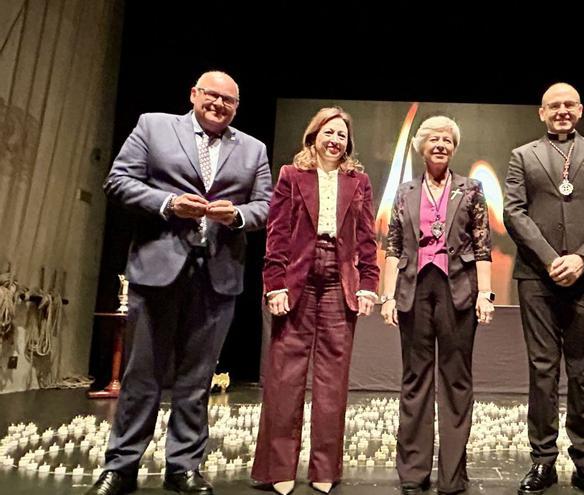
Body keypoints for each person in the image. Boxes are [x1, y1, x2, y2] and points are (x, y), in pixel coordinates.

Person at [89, 70, 273, 495]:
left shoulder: (253, 148)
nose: (219, 104)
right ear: (193, 94)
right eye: (212, 95)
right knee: (141, 376)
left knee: (196, 380)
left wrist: (239, 216)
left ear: (237, 106)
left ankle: (183, 466)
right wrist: (168, 204)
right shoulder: (153, 126)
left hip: (218, 275)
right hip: (157, 271)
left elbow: (265, 206)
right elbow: (117, 182)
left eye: (229, 100)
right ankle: (121, 466)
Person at [251, 107, 380, 495]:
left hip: (339, 281)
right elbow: (276, 234)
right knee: (285, 377)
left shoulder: (358, 181)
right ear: (313, 136)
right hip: (297, 280)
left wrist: (368, 284)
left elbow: (367, 239)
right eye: (329, 132)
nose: (335, 140)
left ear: (348, 143)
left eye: (342, 135)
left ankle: (325, 468)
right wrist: (274, 284)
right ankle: (278, 469)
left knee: (332, 380)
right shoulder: (292, 176)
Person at [503, 83, 584, 495]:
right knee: (542, 370)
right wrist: (551, 257)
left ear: (580, 110)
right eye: (553, 105)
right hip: (537, 276)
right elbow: (513, 212)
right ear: (541, 112)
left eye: (569, 104)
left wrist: (582, 258)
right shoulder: (523, 155)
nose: (561, 111)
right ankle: (542, 461)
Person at [380, 116, 494, 495]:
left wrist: (485, 294)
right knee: (415, 379)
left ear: (454, 147)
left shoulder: (471, 189)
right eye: (434, 139)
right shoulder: (405, 191)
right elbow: (394, 246)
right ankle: (413, 473)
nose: (441, 144)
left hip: (458, 290)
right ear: (422, 145)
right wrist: (387, 295)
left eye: (447, 139)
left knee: (456, 381)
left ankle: (452, 476)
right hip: (414, 289)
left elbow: (482, 245)